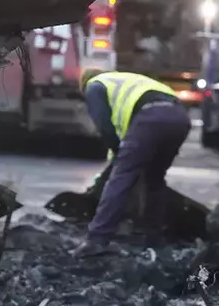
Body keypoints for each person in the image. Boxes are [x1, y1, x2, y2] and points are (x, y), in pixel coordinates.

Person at [72, 69, 192, 256]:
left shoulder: (95, 86)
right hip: (179, 118)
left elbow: (105, 127)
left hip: (151, 118)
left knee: (121, 177)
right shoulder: (125, 80)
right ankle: (154, 239)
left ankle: (97, 239)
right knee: (154, 179)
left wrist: (118, 154)